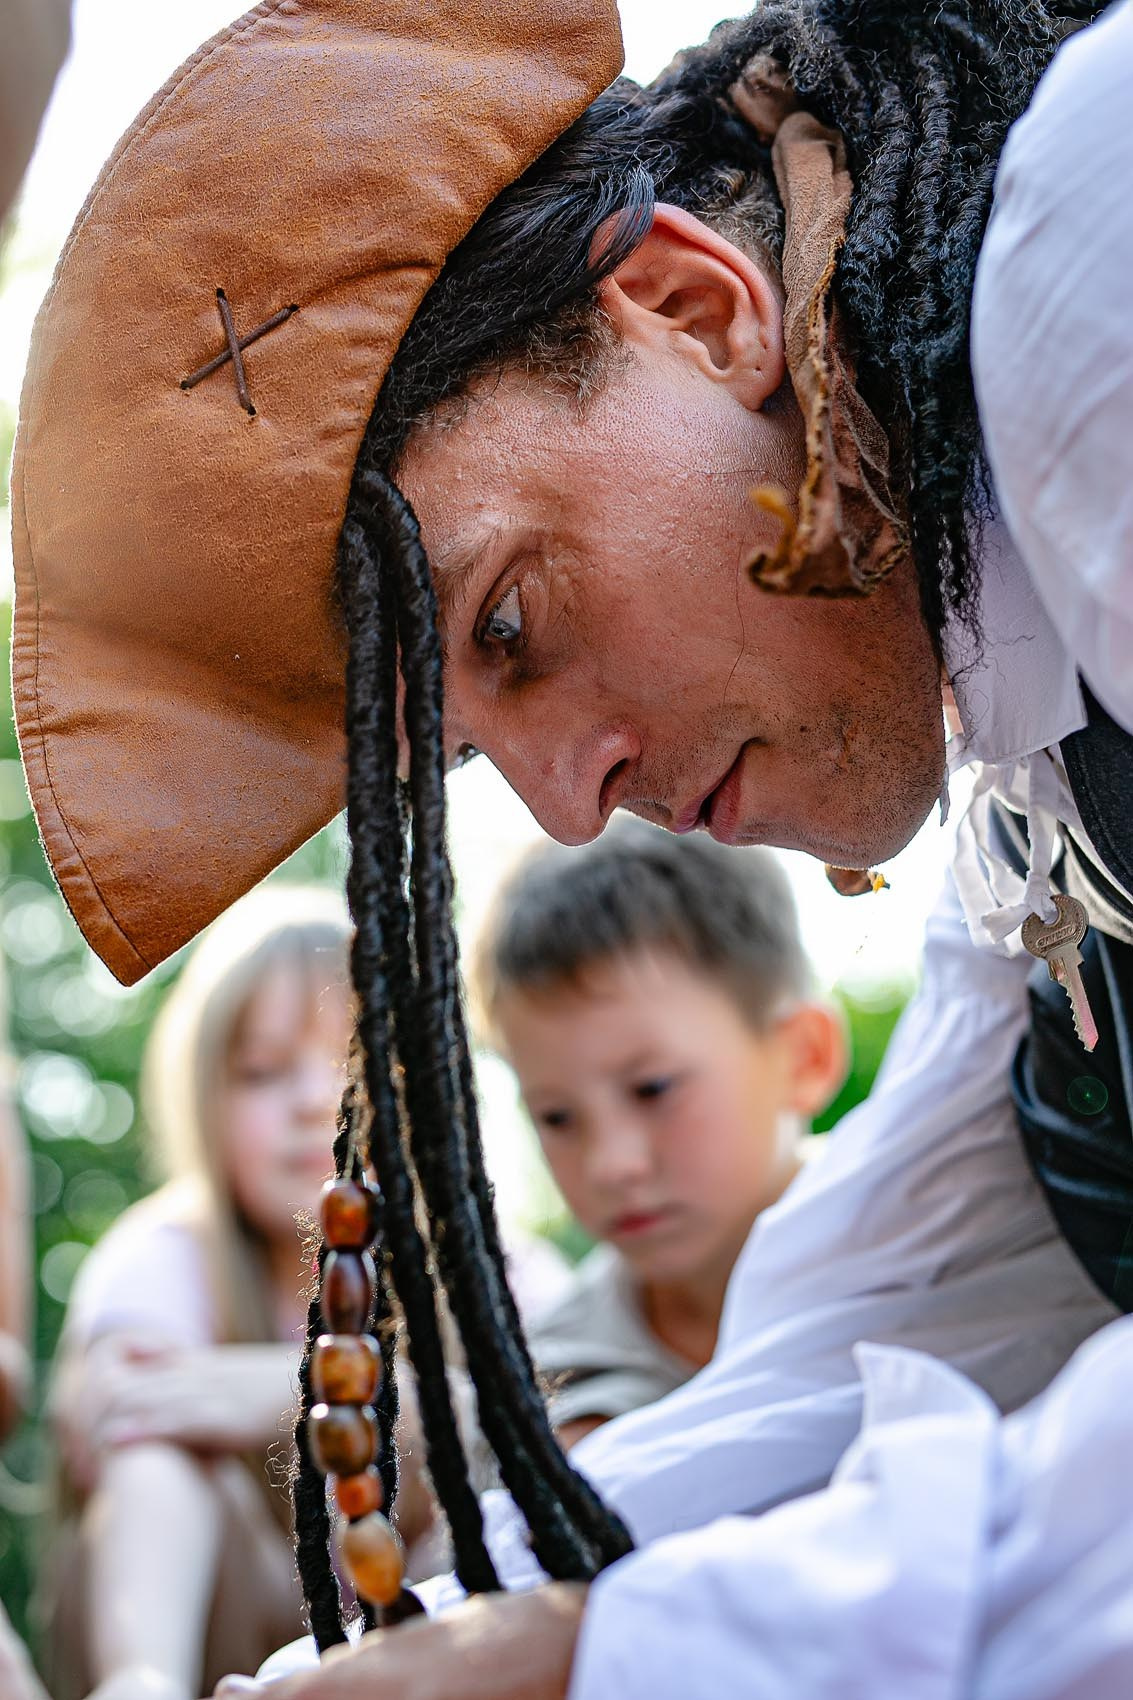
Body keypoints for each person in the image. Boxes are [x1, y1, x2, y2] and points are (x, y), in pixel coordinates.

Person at [10, 0, 1133, 1693]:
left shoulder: (1086, 251)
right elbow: (891, 1304)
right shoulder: (1029, 781)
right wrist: (407, 1656)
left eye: (512, 624)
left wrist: (591, 1648)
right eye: (472, 747)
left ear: (694, 310)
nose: (562, 804)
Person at [39, 887, 352, 1700]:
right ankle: (141, 1683)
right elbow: (119, 1407)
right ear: (204, 1100)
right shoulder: (166, 1253)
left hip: (407, 1620)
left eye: (349, 1065)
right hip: (229, 1623)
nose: (313, 1100)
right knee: (160, 1452)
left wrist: (287, 1390)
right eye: (262, 1072)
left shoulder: (484, 1266)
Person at [474, 823, 841, 1446]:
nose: (611, 1164)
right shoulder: (544, 1391)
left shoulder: (935, 1257)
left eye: (653, 1088)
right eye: (556, 1117)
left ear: (803, 1058)